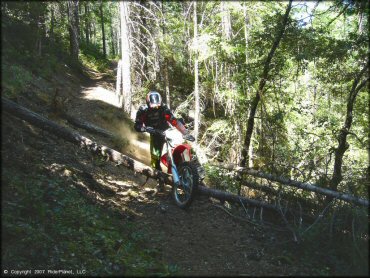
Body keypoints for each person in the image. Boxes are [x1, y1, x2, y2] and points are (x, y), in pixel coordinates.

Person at [134, 91, 194, 191]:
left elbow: (174, 121)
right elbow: (137, 125)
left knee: (181, 149)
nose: (156, 108)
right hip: (154, 134)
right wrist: (145, 129)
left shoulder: (163, 108)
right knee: (155, 159)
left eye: (157, 106)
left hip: (166, 131)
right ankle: (160, 182)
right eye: (153, 106)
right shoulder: (143, 110)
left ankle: (188, 172)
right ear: (148, 103)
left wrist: (185, 133)